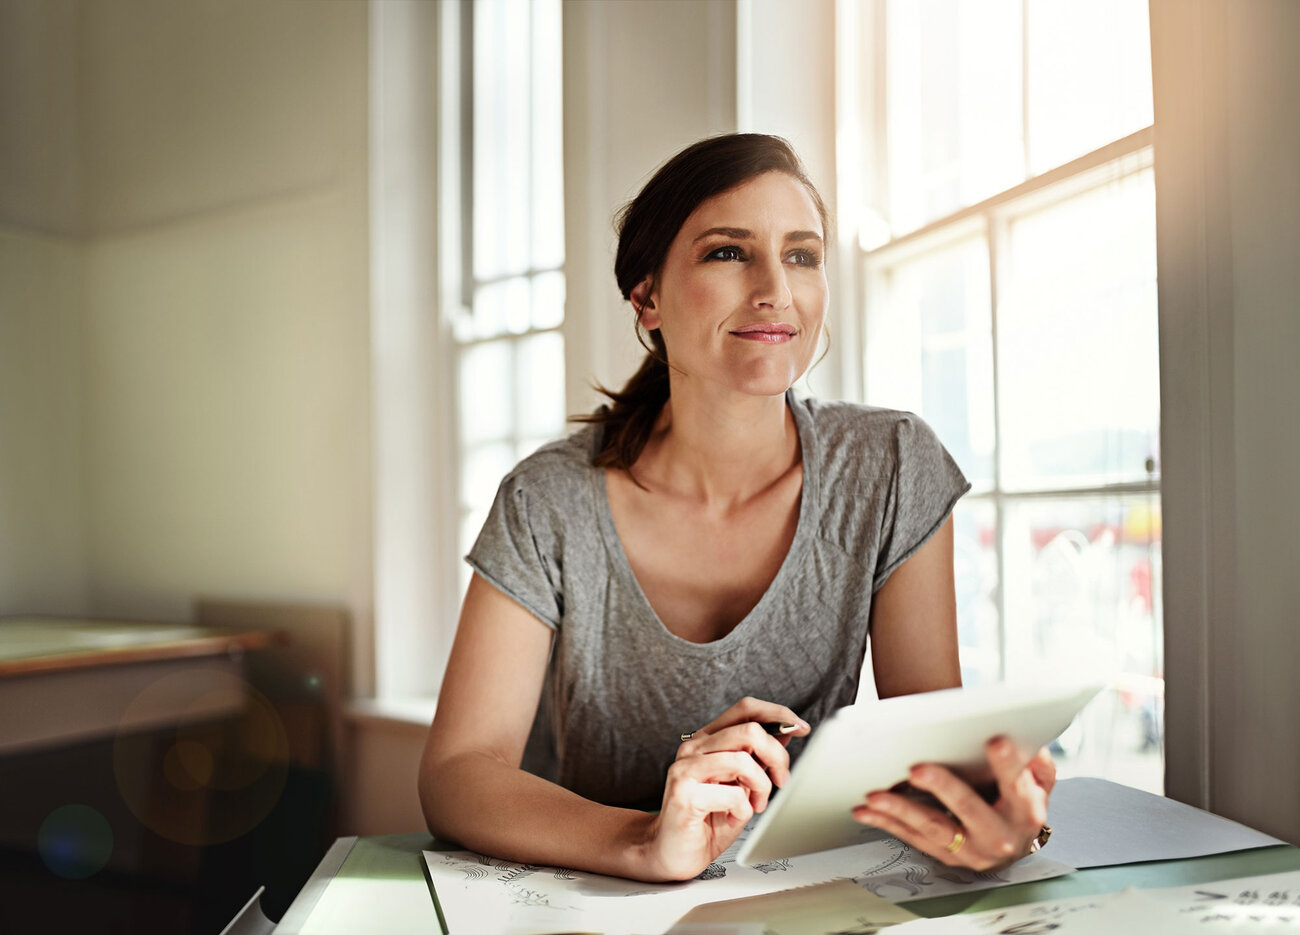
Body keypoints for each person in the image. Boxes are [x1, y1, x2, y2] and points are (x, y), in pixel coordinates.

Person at [418, 133, 1054, 883]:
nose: (775, 291)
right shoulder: (546, 500)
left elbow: (932, 751)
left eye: (802, 255)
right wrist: (647, 839)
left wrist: (982, 821)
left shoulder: (890, 465)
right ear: (646, 297)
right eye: (728, 252)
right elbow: (458, 769)